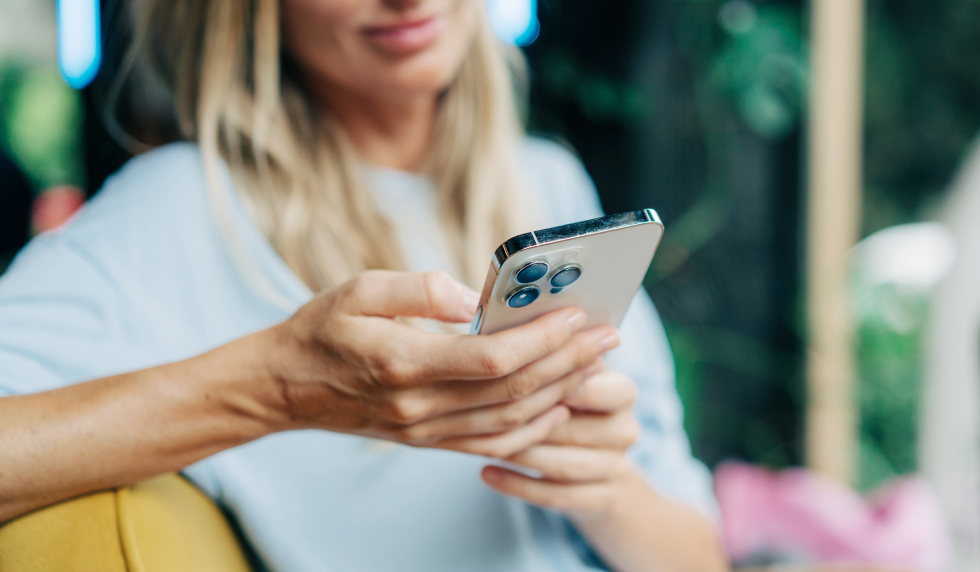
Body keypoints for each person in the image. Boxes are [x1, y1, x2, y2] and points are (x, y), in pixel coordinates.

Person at [0, 1, 726, 571]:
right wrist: (276, 390)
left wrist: (601, 486)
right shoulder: (182, 208)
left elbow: (699, 558)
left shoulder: (545, 179)